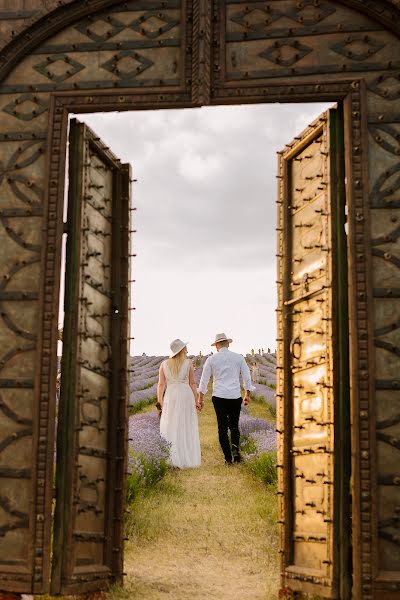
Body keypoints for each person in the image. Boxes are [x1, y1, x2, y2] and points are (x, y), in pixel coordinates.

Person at [197, 333, 255, 465]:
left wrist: (201, 398)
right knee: (234, 425)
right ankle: (236, 452)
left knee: (222, 427)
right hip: (235, 396)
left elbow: (204, 379)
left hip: (219, 396)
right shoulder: (238, 358)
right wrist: (247, 394)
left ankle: (228, 458)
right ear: (228, 344)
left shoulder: (211, 359)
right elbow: (247, 377)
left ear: (217, 345)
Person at [158, 339, 201, 468]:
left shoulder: (164, 364)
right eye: (185, 348)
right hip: (185, 395)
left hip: (171, 395)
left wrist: (159, 402)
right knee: (186, 423)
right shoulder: (188, 363)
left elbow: (161, 385)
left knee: (171, 423)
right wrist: (196, 399)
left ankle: (172, 458)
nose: (187, 350)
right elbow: (192, 383)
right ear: (182, 350)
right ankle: (186, 456)